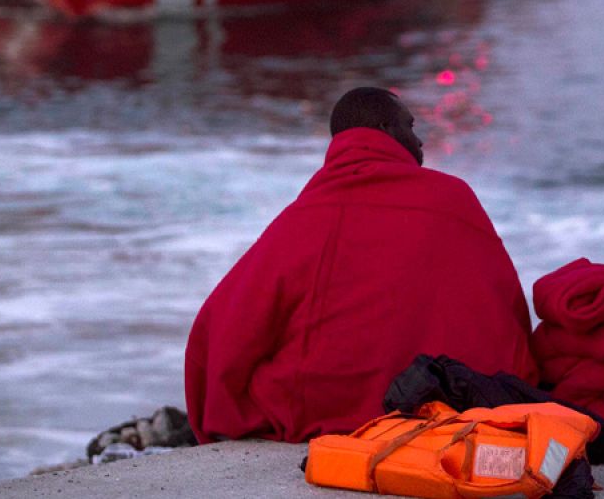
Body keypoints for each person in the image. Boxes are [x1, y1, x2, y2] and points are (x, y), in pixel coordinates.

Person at [184, 88, 538, 443]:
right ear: (385, 129)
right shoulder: (452, 198)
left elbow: (227, 321)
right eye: (410, 127)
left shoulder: (305, 215)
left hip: (323, 406)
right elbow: (505, 311)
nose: (419, 142)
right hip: (443, 402)